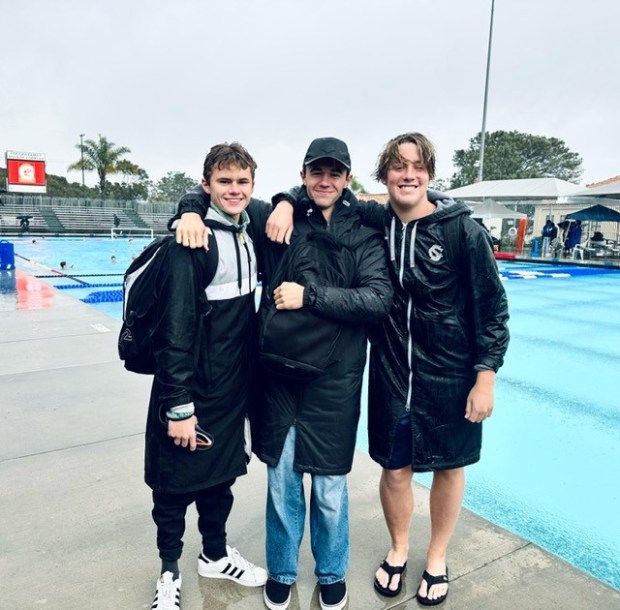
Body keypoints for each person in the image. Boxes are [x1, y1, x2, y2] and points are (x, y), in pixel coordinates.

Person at [268, 132, 509, 607]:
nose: (408, 175)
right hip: (393, 370)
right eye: (398, 167)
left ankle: (436, 556)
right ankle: (398, 550)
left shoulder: (461, 230)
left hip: (451, 372)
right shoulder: (375, 220)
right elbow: (323, 189)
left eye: (416, 167)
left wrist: (486, 375)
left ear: (430, 175)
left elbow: (492, 307)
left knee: (448, 467)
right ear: (384, 176)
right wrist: (283, 201)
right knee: (395, 470)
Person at [172, 137, 393, 610]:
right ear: (304, 174)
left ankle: (332, 571)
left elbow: (377, 299)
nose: (325, 181)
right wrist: (188, 213)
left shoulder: (365, 233)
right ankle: (285, 570)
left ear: (347, 179)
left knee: (330, 487)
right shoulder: (277, 221)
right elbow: (220, 195)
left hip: (336, 378)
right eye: (317, 172)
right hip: (279, 375)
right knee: (282, 482)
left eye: (335, 173)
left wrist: (308, 296)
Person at [145, 143, 267, 610]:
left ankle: (214, 554)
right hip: (189, 390)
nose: (234, 190)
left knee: (220, 478)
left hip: (230, 389)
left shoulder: (247, 229)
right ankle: (168, 572)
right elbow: (175, 331)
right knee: (173, 487)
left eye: (242, 182)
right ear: (206, 186)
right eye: (224, 182)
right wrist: (178, 405)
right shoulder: (190, 244)